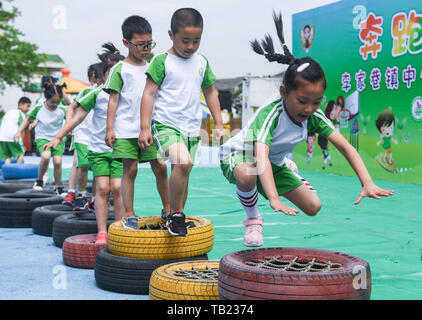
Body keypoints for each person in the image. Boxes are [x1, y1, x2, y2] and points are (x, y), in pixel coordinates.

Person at [219, 11, 394, 248]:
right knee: (247, 173)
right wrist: (273, 199)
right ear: (284, 93)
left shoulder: (314, 115)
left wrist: (367, 181)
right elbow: (260, 156)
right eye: (302, 101)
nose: (310, 108)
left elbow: (345, 147)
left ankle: (289, 169)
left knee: (313, 207)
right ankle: (253, 220)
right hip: (242, 157)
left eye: (317, 101)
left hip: (273, 161)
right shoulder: (272, 113)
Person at [139, 8, 225, 236]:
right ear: (171, 34)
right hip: (165, 124)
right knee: (183, 162)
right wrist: (145, 128)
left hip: (191, 128)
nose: (190, 46)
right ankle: (175, 214)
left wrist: (218, 123)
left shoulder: (202, 62)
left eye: (196, 41)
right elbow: (149, 94)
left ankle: (173, 214)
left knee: (183, 172)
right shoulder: (161, 61)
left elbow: (211, 92)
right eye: (185, 40)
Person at [43, 44, 125, 244]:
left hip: (120, 149)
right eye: (111, 72)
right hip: (98, 148)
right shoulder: (96, 94)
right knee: (103, 188)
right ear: (104, 74)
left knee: (118, 188)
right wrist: (59, 136)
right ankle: (102, 232)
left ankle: (122, 228)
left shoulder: (127, 94)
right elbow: (77, 116)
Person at [104, 16, 170, 230]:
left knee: (160, 167)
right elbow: (113, 100)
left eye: (149, 44)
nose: (146, 49)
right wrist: (110, 128)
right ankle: (129, 213)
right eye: (140, 45)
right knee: (129, 170)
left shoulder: (153, 67)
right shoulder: (119, 69)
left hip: (149, 128)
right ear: (126, 43)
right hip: (125, 129)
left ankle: (169, 210)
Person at [62, 63, 103, 210]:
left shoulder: (112, 92)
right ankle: (77, 194)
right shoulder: (87, 91)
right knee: (80, 163)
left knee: (98, 169)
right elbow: (71, 108)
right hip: (82, 135)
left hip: (99, 137)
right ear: (95, 76)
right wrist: (69, 125)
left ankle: (93, 198)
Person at [15, 83, 68, 195]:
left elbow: (71, 119)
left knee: (58, 161)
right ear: (46, 98)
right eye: (52, 101)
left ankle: (58, 186)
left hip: (57, 138)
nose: (55, 104)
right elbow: (27, 119)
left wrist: (70, 129)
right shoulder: (39, 109)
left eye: (57, 102)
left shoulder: (62, 109)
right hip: (43, 137)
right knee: (45, 156)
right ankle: (39, 181)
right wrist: (19, 131)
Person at [0, 97, 31, 164]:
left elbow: (1, 123)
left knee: (7, 156)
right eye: (28, 106)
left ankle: (8, 172)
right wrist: (22, 143)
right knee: (21, 153)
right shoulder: (21, 114)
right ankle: (18, 170)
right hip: (13, 137)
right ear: (21, 105)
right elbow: (21, 129)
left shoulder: (8, 112)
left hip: (2, 137)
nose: (29, 109)